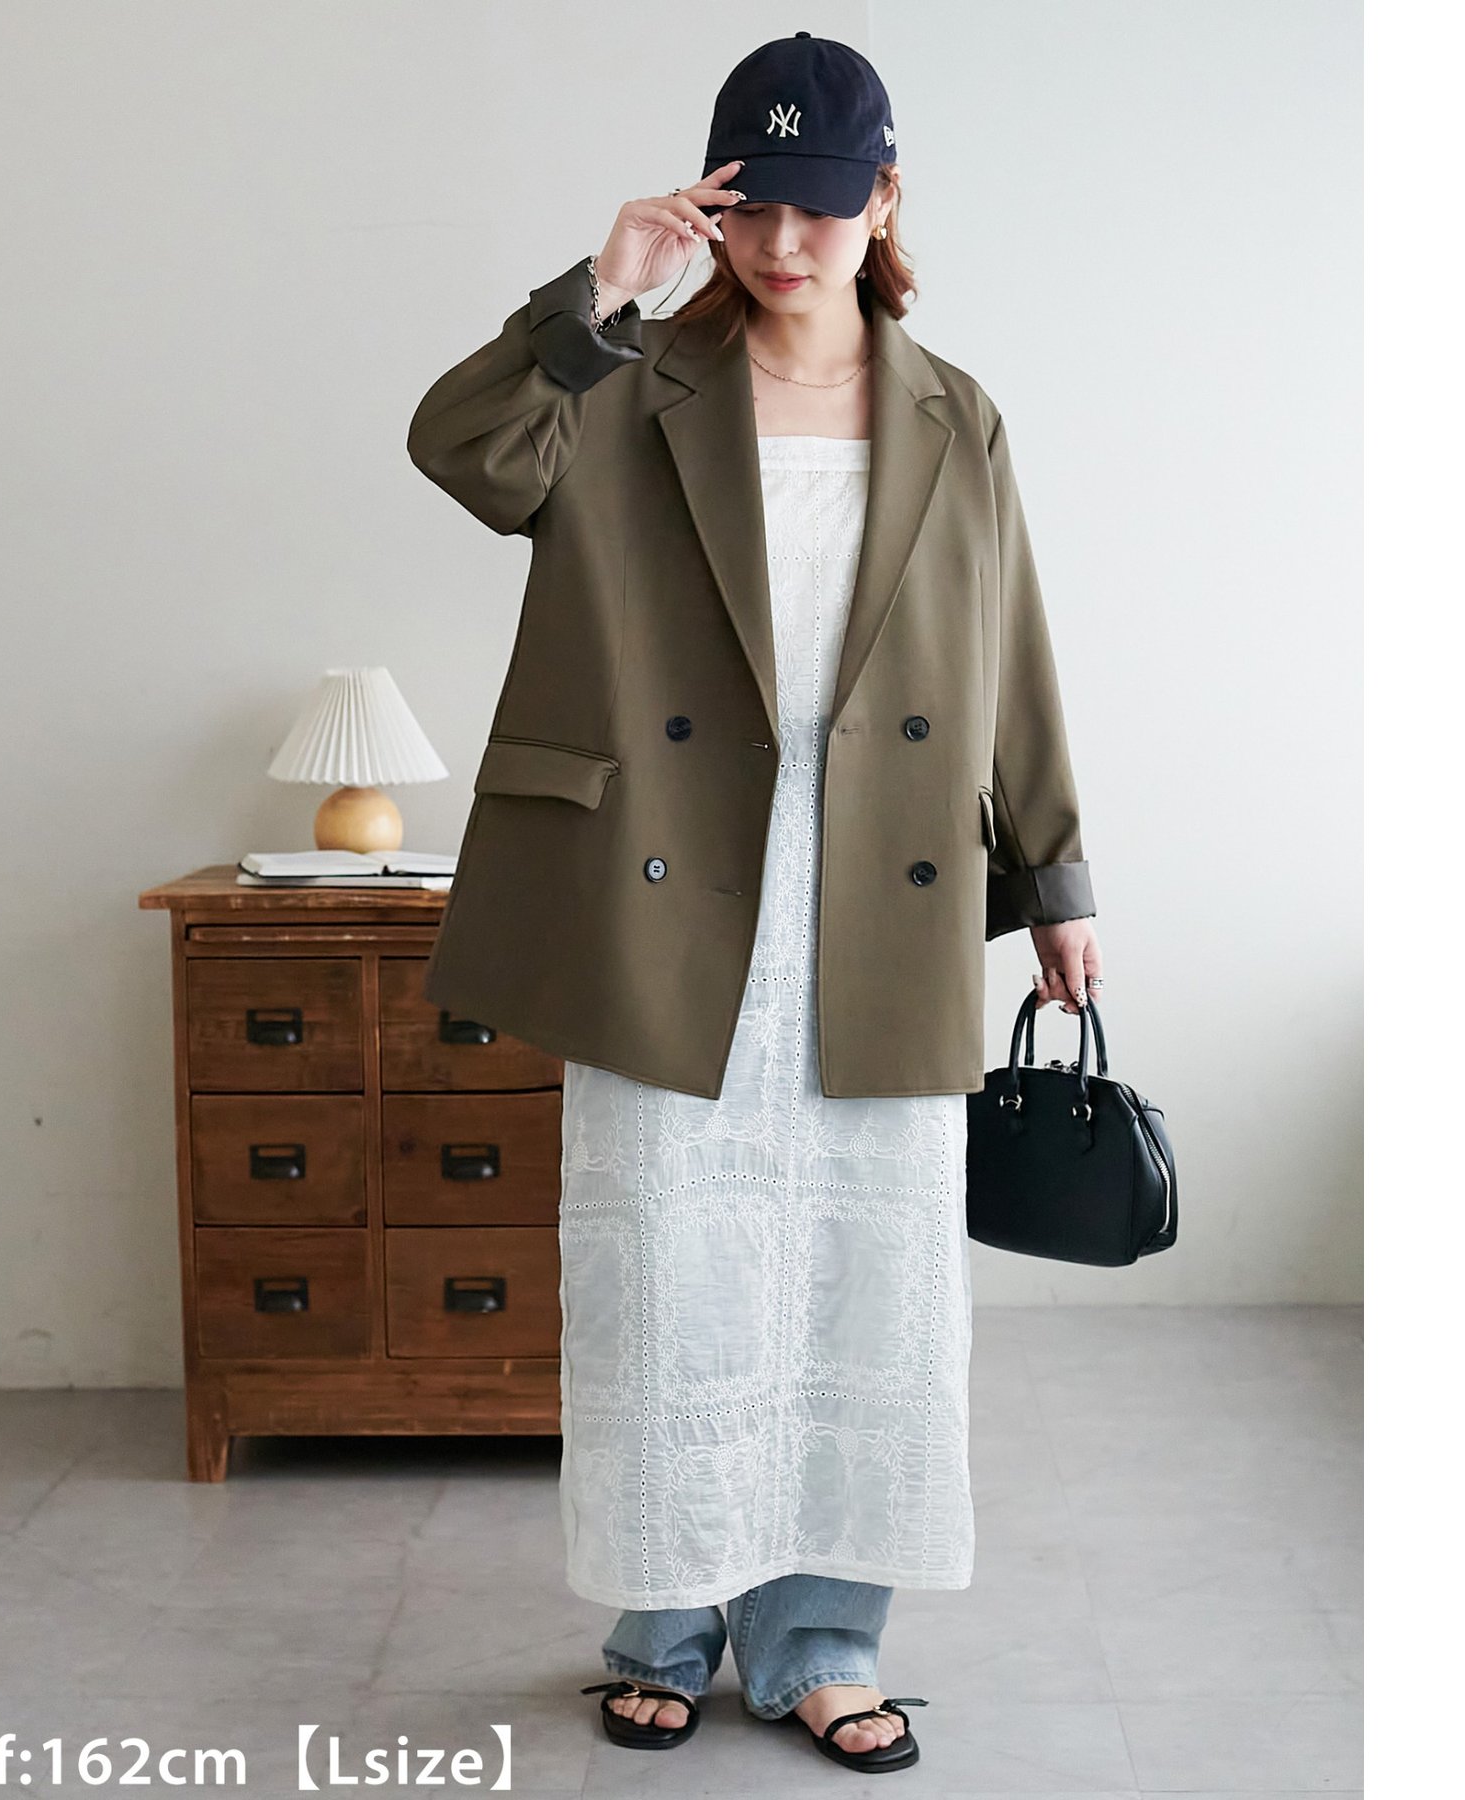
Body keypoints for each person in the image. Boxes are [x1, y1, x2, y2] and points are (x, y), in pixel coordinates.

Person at [408, 31, 1103, 1778]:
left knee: (865, 1283)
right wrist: (600, 289)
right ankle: (660, 1624)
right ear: (709, 203)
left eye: (820, 206)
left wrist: (1057, 881)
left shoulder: (954, 413)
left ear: (885, 200)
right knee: (670, 1274)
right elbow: (463, 452)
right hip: (667, 888)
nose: (785, 244)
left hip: (879, 891)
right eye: (751, 206)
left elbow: (1011, 654)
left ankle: (821, 1643)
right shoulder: (624, 378)